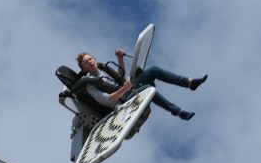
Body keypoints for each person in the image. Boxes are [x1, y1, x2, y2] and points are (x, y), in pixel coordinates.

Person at [75, 48, 207, 120]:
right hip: (123, 101)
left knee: (153, 70)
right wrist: (124, 90)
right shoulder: (90, 85)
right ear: (84, 69)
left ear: (95, 59)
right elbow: (107, 100)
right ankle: (179, 112)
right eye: (86, 62)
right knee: (148, 89)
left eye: (90, 59)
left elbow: (120, 74)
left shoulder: (104, 70)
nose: (90, 62)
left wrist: (120, 58)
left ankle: (190, 83)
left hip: (130, 88)